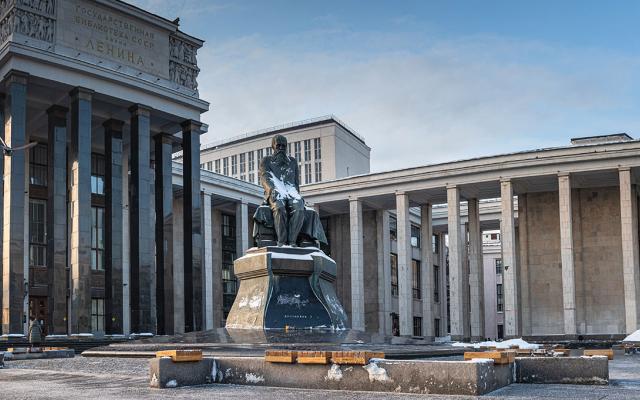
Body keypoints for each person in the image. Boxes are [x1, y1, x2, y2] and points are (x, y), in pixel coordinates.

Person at [258, 134, 305, 246]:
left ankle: (292, 241)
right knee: (279, 208)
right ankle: (282, 242)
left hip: (291, 192)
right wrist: (272, 189)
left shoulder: (292, 162)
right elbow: (265, 177)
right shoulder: (266, 161)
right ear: (273, 146)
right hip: (276, 190)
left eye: (283, 146)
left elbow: (296, 181)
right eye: (278, 146)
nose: (281, 149)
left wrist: (297, 195)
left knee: (299, 208)